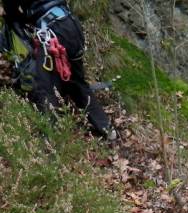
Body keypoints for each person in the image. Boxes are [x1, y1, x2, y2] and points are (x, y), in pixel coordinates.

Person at [0, 0, 115, 139]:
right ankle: (107, 130)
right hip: (70, 24)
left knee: (45, 89)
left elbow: (12, 10)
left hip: (53, 32)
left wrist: (9, 13)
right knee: (76, 83)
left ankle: (50, 146)